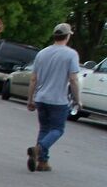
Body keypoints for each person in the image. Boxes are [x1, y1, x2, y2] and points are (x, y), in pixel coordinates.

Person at [25, 22, 82, 172]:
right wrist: (77, 100)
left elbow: (33, 79)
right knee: (57, 129)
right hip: (58, 100)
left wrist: (30, 99)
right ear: (67, 36)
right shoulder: (71, 54)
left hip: (41, 98)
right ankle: (39, 150)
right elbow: (73, 79)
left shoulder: (42, 53)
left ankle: (42, 162)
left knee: (44, 129)